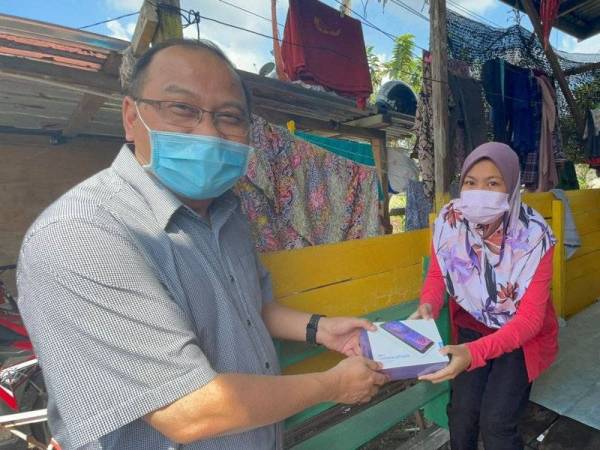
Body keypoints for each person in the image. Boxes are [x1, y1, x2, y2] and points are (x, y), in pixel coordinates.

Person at [16, 39, 388, 450]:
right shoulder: (82, 235)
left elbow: (251, 309)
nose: (209, 131)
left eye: (229, 116)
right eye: (182, 109)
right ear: (130, 116)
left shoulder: (226, 213)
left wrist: (322, 330)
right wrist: (332, 385)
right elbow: (188, 409)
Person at [411, 142, 558, 450]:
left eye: (493, 183)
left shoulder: (535, 237)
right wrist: (428, 304)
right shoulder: (450, 221)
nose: (480, 192)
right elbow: (438, 275)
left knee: (497, 424)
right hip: (471, 329)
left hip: (517, 337)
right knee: (462, 414)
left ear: (512, 185)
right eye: (470, 182)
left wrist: (474, 354)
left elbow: (530, 320)